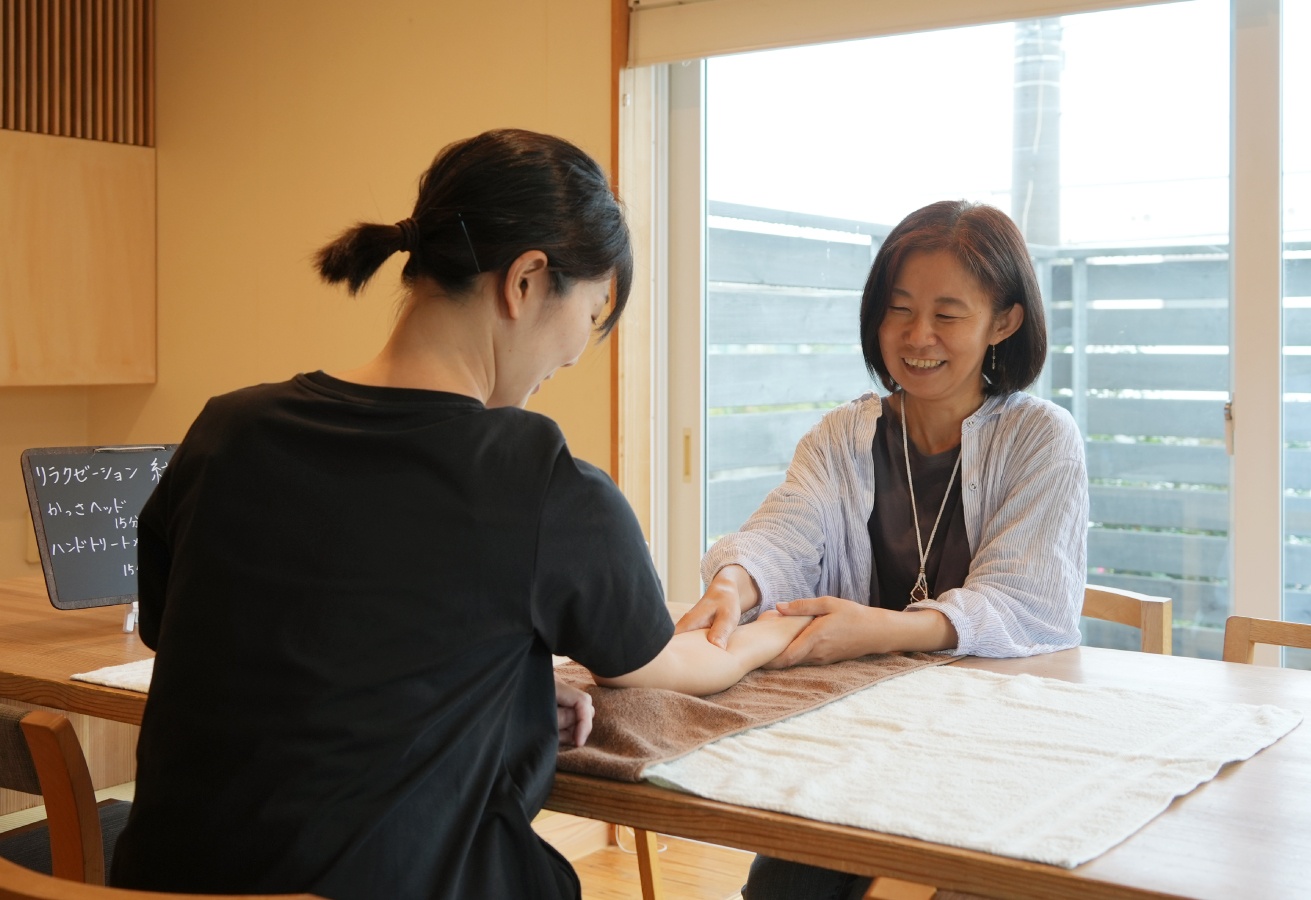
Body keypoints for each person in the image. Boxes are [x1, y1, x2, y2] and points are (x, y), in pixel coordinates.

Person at [109, 129, 808, 900]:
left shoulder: (228, 429)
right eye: (592, 310)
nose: (579, 350)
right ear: (528, 281)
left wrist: (502, 691)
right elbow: (665, 666)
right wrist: (776, 634)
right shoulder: (537, 475)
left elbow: (231, 639)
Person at [674, 200, 1089, 899]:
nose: (917, 335)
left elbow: (1027, 601)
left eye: (947, 314)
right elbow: (788, 527)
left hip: (995, 745)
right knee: (785, 890)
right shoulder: (843, 436)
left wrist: (887, 629)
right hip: (858, 735)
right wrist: (735, 583)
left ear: (1005, 321)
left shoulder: (1041, 438)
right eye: (899, 310)